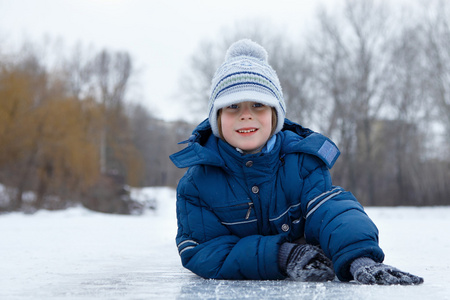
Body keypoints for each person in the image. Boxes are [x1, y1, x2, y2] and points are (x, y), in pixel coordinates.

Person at [170, 39, 424, 285]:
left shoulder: (301, 162)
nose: (246, 115)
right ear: (217, 117)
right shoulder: (198, 182)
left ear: (275, 114)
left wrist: (359, 258)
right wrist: (283, 255)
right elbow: (203, 250)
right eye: (233, 106)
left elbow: (331, 211)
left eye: (258, 105)